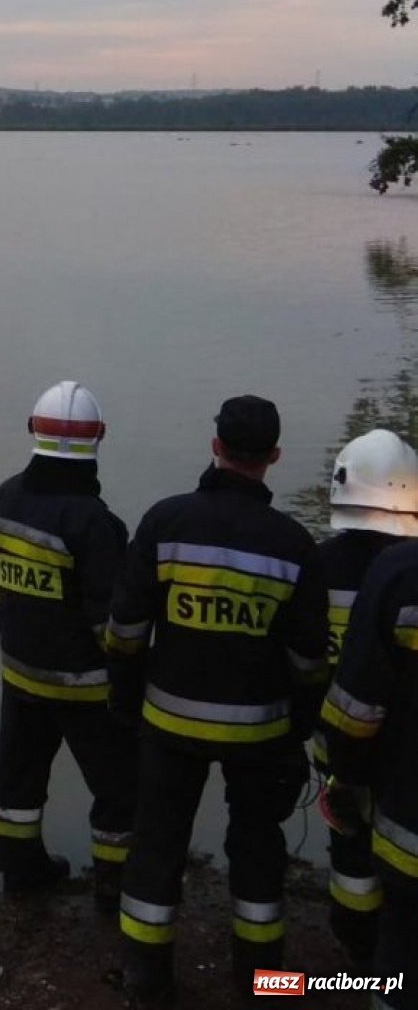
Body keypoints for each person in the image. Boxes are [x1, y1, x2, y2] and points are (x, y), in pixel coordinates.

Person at [105, 395, 329, 1003]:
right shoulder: (294, 546)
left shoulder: (165, 522)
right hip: (260, 733)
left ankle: (146, 981)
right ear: (274, 457)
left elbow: (125, 632)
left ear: (215, 448)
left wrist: (127, 704)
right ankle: (264, 987)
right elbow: (310, 661)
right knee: (258, 850)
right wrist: (297, 729)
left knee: (155, 847)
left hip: (169, 722)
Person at [0, 380, 136, 907]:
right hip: (88, 689)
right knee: (120, 790)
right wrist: (130, 677)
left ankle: (19, 874)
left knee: (16, 782)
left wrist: (16, 637)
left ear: (32, 431)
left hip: (21, 673)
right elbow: (109, 622)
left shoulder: (3, 497)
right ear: (100, 437)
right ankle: (115, 888)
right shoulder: (95, 523)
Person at [313, 429, 418, 968]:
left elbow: (307, 664)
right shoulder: (406, 573)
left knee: (352, 855)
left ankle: (359, 958)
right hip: (402, 755)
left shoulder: (320, 566)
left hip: (345, 746)